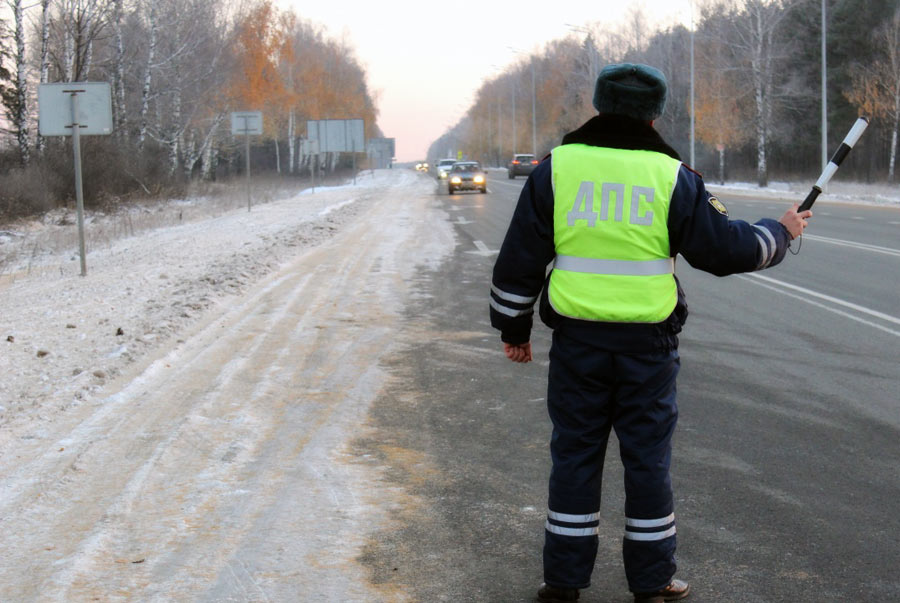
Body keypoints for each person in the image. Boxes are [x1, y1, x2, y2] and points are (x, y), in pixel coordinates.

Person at [489, 63, 811, 603]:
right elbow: (724, 249)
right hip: (648, 349)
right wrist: (781, 231)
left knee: (574, 457)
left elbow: (519, 258)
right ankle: (653, 580)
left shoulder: (558, 168)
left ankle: (564, 580)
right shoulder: (673, 176)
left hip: (577, 344)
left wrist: (514, 328)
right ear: (656, 115)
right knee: (647, 461)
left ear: (597, 105)